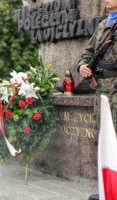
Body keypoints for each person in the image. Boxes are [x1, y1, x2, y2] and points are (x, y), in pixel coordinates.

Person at [77, 1, 117, 199]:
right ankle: (107, 186)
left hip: (116, 87)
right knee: (102, 135)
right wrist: (82, 66)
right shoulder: (102, 25)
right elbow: (88, 51)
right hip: (101, 90)